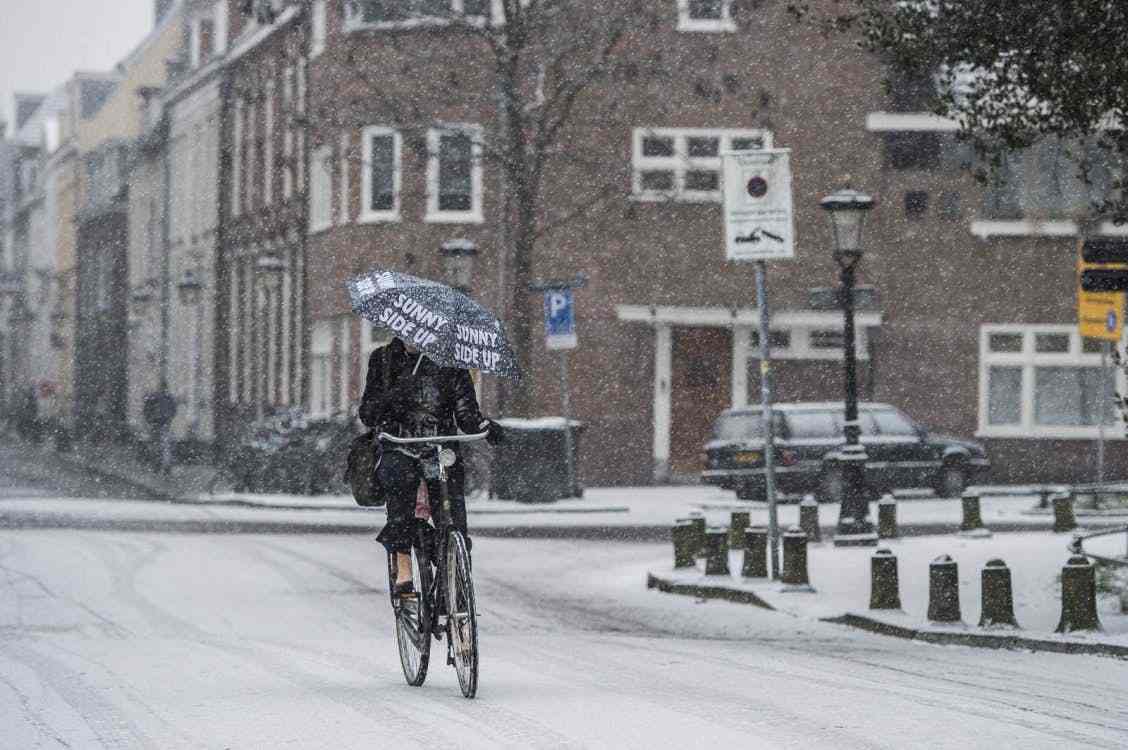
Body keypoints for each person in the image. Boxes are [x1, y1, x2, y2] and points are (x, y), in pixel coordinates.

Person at [358, 333, 503, 600]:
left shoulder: (451, 362)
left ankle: (454, 569)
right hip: (399, 444)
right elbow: (368, 413)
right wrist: (391, 397)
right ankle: (403, 564)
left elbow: (466, 414)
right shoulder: (383, 360)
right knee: (400, 494)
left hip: (440, 449)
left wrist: (484, 427)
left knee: (453, 518)